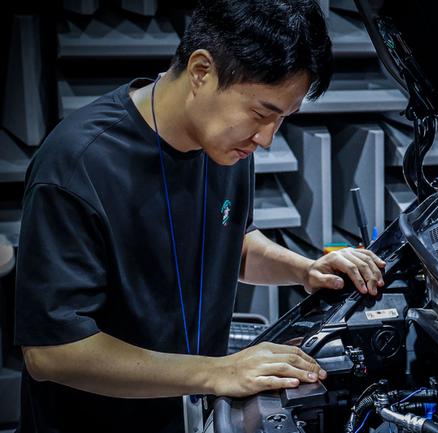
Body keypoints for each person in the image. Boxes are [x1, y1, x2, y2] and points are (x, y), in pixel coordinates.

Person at [13, 1, 385, 432]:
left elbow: (231, 241)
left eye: (282, 119)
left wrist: (304, 270)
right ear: (202, 71)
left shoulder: (225, 143)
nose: (266, 139)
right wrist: (217, 371)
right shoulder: (77, 166)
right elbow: (51, 353)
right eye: (261, 114)